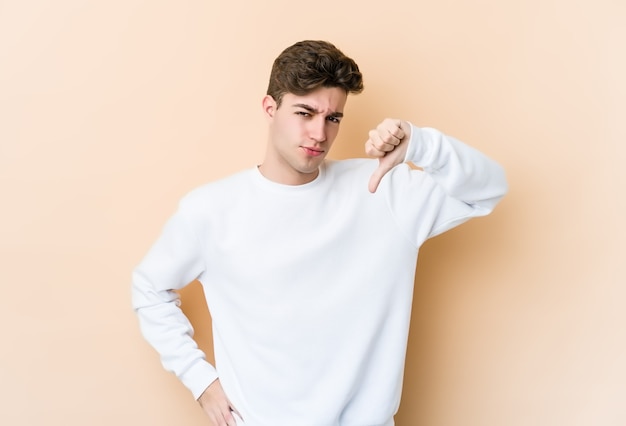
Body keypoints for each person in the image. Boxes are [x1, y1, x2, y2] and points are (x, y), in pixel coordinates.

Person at [132, 40, 508, 426]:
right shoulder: (211, 210)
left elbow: (490, 188)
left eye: (333, 118)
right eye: (304, 112)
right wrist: (201, 381)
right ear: (270, 108)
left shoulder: (382, 189)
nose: (319, 133)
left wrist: (421, 144)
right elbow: (148, 288)